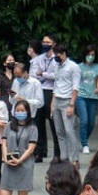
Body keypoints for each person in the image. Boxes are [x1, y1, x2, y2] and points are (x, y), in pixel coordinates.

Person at [0, 100, 38, 195]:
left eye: (22, 110)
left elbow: (31, 148)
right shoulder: (9, 126)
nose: (20, 113)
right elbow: (3, 142)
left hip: (25, 164)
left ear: (27, 112)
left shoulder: (32, 128)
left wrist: (20, 160)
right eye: (18, 110)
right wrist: (5, 157)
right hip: (9, 163)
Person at [51, 44, 81, 166]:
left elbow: (75, 87)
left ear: (63, 54)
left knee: (69, 131)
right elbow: (56, 84)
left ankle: (75, 159)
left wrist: (71, 104)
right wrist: (52, 104)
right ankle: (64, 158)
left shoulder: (73, 67)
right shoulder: (57, 66)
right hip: (57, 99)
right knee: (59, 132)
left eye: (57, 54)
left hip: (67, 100)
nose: (56, 57)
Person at [32, 34, 60, 163]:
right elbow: (33, 74)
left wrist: (43, 74)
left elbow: (57, 76)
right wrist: (43, 75)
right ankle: (40, 151)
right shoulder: (39, 59)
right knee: (38, 123)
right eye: (43, 41)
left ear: (53, 44)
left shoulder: (57, 58)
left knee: (54, 123)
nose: (44, 44)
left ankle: (57, 153)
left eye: (47, 42)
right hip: (39, 90)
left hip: (52, 91)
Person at [77, 45, 98, 154]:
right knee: (84, 120)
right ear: (85, 55)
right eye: (88, 54)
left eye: (92, 55)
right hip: (81, 96)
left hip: (93, 96)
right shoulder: (79, 67)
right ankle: (84, 144)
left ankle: (84, 138)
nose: (90, 57)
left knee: (91, 123)